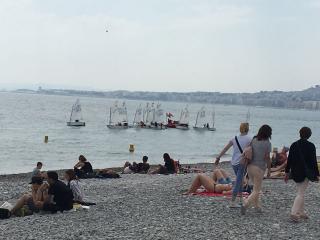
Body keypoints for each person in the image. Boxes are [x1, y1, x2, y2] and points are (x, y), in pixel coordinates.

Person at [284, 127, 319, 222]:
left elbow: (289, 160)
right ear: (309, 135)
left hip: (295, 172)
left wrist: (287, 172)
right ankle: (294, 213)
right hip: (305, 172)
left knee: (301, 191)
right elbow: (313, 162)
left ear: (300, 134)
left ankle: (301, 212)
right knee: (301, 193)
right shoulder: (311, 146)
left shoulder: (294, 145)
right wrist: (317, 174)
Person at [215, 123, 252, 207]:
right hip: (242, 163)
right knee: (239, 181)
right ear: (247, 129)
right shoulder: (250, 139)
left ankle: (241, 199)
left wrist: (218, 157)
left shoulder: (234, 138)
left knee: (240, 180)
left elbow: (225, 148)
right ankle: (232, 202)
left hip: (234, 163)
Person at [241, 125, 272, 215]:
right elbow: (267, 158)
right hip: (259, 168)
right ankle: (246, 204)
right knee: (257, 190)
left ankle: (257, 207)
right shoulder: (267, 143)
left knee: (255, 187)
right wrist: (269, 170)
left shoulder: (254, 139)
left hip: (250, 166)